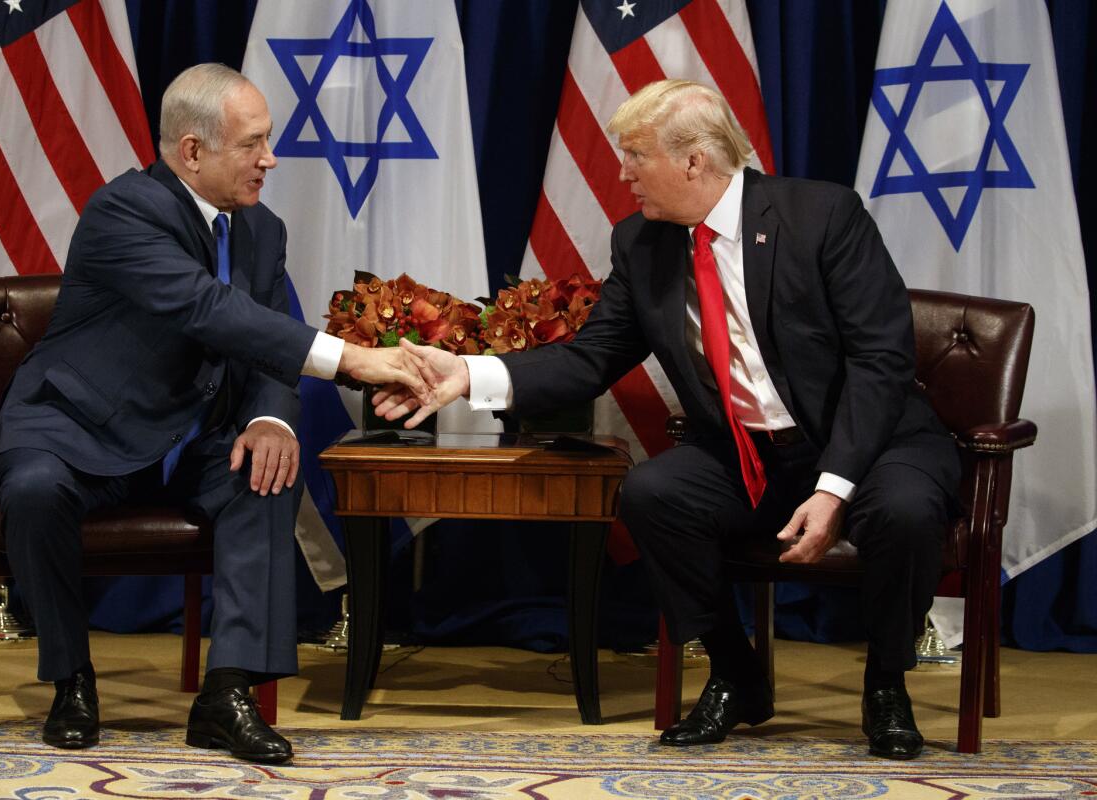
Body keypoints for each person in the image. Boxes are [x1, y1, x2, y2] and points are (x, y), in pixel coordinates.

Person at [376, 80, 960, 761]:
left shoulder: (822, 215)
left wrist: (833, 487)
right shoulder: (642, 243)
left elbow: (880, 361)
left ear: (693, 162)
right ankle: (736, 674)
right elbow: (591, 359)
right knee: (654, 494)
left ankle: (887, 683)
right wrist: (470, 375)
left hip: (873, 442)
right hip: (751, 457)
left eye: (635, 155)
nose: (621, 173)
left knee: (906, 511)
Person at [0, 63, 430, 763]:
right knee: (35, 489)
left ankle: (226, 695)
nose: (270, 159)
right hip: (79, 427)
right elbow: (208, 309)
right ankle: (70, 679)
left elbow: (268, 338)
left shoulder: (262, 230)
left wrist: (273, 419)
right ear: (191, 151)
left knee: (267, 473)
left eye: (269, 140)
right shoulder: (124, 210)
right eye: (252, 143)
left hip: (193, 437)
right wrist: (353, 359)